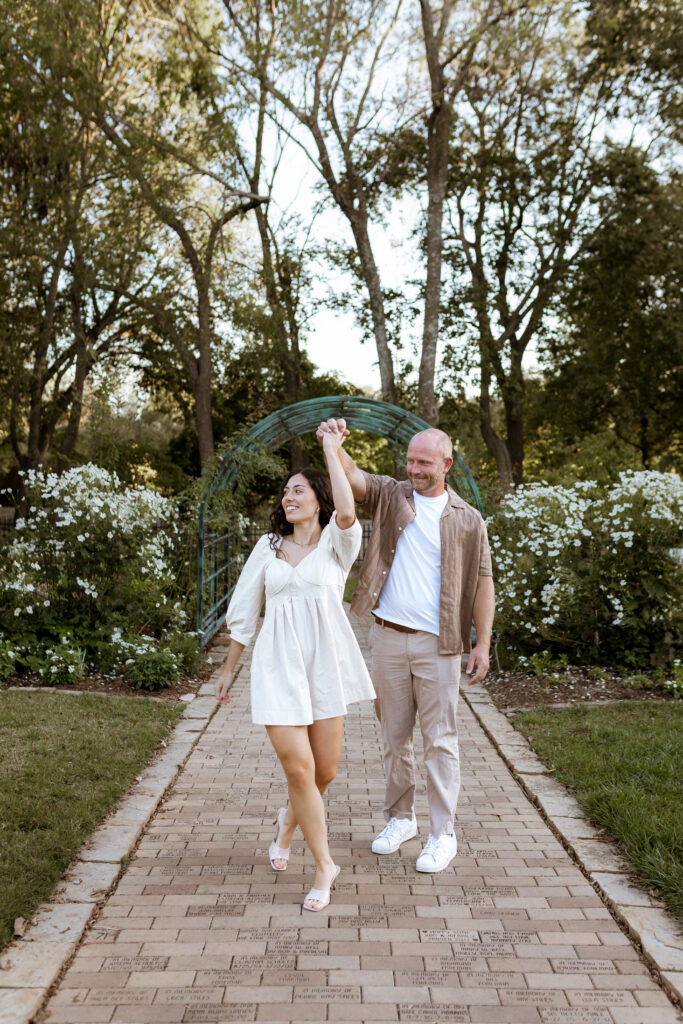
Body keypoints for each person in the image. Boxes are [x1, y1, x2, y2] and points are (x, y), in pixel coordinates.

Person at [317, 418, 495, 873]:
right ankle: (400, 819)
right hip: (388, 639)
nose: (414, 469)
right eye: (410, 460)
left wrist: (483, 643)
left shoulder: (469, 520)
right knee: (394, 740)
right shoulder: (392, 495)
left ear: (446, 464)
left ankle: (442, 834)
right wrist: (332, 444)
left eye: (424, 462)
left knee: (441, 742)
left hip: (441, 646)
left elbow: (482, 582)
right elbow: (353, 478)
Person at [213, 423, 375, 911]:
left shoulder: (337, 545)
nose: (288, 497)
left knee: (324, 769)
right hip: (277, 666)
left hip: (325, 665)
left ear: (318, 499)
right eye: (284, 492)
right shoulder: (267, 549)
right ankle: (325, 865)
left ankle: (288, 821)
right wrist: (228, 670)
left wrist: (331, 447)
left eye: (298, 490)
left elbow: (348, 511)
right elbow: (244, 608)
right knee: (299, 768)